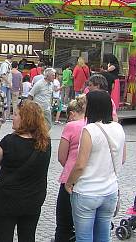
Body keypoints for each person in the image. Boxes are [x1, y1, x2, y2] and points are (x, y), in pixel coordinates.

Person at [65, 90, 126, 242]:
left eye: (86, 103)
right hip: (110, 191)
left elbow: (80, 164)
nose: (83, 106)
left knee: (84, 237)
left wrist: (69, 182)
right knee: (103, 236)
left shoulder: (89, 130)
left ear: (93, 106)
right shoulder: (118, 128)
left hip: (87, 191)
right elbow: (123, 158)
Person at [0, 100, 51, 242]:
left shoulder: (9, 141)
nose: (13, 117)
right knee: (28, 237)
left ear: (26, 119)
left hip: (8, 200)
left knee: (4, 237)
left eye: (16, 114)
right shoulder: (45, 142)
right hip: (33, 199)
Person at [54, 95, 87, 242]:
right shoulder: (94, 125)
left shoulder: (71, 126)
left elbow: (61, 156)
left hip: (70, 178)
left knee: (64, 224)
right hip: (90, 179)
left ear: (73, 113)